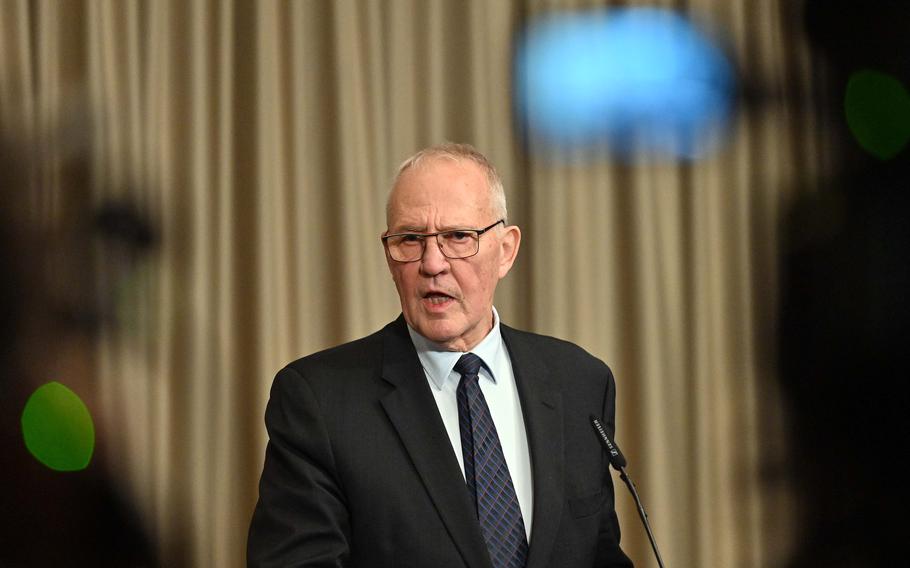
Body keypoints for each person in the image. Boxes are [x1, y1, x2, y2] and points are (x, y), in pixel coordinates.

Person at [248, 143, 633, 568]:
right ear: (389, 255)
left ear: (505, 250)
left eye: (457, 237)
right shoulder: (319, 401)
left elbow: (598, 554)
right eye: (410, 239)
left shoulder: (579, 382)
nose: (433, 263)